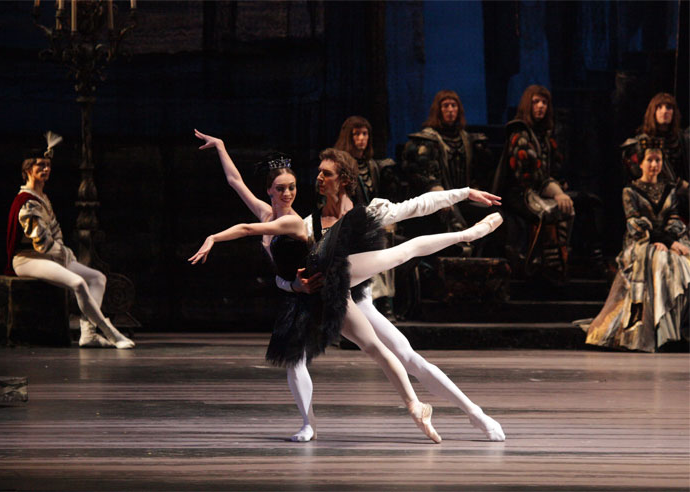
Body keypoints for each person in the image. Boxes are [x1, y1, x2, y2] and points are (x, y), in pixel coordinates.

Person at [193, 130, 505, 443]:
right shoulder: (305, 222)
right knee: (298, 356)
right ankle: (309, 424)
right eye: (314, 175)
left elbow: (417, 205)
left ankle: (475, 413)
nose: (309, 183)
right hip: (322, 295)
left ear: (342, 180)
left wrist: (463, 192)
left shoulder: (362, 215)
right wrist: (293, 286)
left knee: (407, 357)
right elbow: (239, 189)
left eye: (322, 175)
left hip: (356, 294)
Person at [5, 132, 135, 349]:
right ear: (28, 169)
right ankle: (111, 332)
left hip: (50, 256)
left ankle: (88, 333)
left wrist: (62, 252)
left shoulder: (42, 198)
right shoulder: (27, 202)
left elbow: (54, 234)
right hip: (27, 260)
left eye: (47, 165)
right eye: (40, 165)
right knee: (78, 283)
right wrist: (64, 253)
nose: (45, 169)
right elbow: (42, 243)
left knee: (98, 278)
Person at [582, 142, 690, 352]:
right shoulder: (630, 191)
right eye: (649, 160)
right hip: (641, 243)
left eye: (658, 160)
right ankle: (661, 333)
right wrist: (666, 242)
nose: (654, 164)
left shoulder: (669, 189)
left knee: (683, 261)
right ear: (640, 163)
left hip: (668, 241)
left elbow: (674, 218)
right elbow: (635, 223)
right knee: (661, 262)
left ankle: (678, 329)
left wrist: (671, 241)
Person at [492, 85, 575, 282]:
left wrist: (557, 189)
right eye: (536, 102)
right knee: (548, 212)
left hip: (538, 190)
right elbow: (529, 175)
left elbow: (551, 170)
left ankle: (556, 265)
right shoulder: (520, 133)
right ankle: (534, 266)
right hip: (518, 193)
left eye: (544, 102)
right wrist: (555, 192)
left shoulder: (545, 136)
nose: (540, 106)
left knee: (568, 209)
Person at [401, 90, 496, 242]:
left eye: (453, 105)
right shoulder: (427, 139)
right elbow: (419, 172)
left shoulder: (469, 139)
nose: (450, 110)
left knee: (493, 213)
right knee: (452, 219)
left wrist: (476, 188)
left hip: (465, 195)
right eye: (446, 106)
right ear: (438, 110)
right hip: (438, 197)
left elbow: (481, 171)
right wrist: (436, 190)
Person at [333, 116, 399, 319]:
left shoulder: (373, 166)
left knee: (387, 250)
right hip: (347, 225)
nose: (361, 138)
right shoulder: (339, 166)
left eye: (364, 134)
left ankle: (385, 302)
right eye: (356, 134)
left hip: (372, 223)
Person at [621, 93, 689, 221]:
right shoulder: (642, 143)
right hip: (651, 200)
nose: (664, 111)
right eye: (659, 107)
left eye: (669, 107)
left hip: (680, 201)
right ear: (653, 111)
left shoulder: (681, 140)